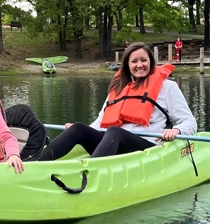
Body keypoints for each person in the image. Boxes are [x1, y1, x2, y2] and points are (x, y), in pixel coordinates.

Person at [38, 41, 197, 161]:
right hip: (113, 144)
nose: (139, 65)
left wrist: (176, 130)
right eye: (134, 61)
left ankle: (91, 173)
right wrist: (81, 129)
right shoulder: (118, 88)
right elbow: (100, 122)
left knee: (115, 131)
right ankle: (36, 163)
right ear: (127, 65)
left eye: (144, 60)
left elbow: (189, 122)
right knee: (79, 128)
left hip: (146, 148)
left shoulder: (168, 87)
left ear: (151, 62)